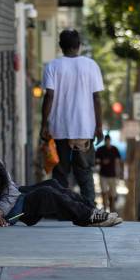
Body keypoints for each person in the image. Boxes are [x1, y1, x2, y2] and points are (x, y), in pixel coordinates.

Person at [0, 149, 122, 227]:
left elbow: (11, 189)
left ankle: (91, 211)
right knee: (46, 194)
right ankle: (89, 216)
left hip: (7, 201)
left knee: (53, 184)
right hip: (7, 214)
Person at [40, 29, 104, 204]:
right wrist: (99, 127)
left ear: (60, 46)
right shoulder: (91, 66)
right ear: (79, 46)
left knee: (60, 172)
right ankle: (89, 209)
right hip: (84, 129)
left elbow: (49, 96)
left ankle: (62, 210)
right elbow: (97, 98)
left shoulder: (52, 66)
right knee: (84, 171)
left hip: (59, 128)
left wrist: (44, 124)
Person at [95, 135, 121, 212]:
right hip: (103, 174)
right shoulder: (100, 150)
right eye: (106, 140)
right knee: (104, 191)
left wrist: (118, 172)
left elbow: (117, 161)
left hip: (112, 174)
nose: (107, 142)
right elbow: (96, 160)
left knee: (112, 193)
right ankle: (105, 207)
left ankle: (112, 208)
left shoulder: (114, 149)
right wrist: (101, 161)